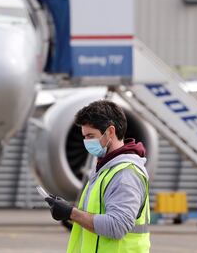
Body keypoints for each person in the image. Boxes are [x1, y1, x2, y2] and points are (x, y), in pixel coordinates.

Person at [44, 100, 150, 252]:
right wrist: (68, 211)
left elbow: (117, 226)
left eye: (90, 136)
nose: (86, 142)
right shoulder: (104, 170)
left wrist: (71, 213)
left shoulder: (125, 174)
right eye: (84, 137)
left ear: (110, 132)